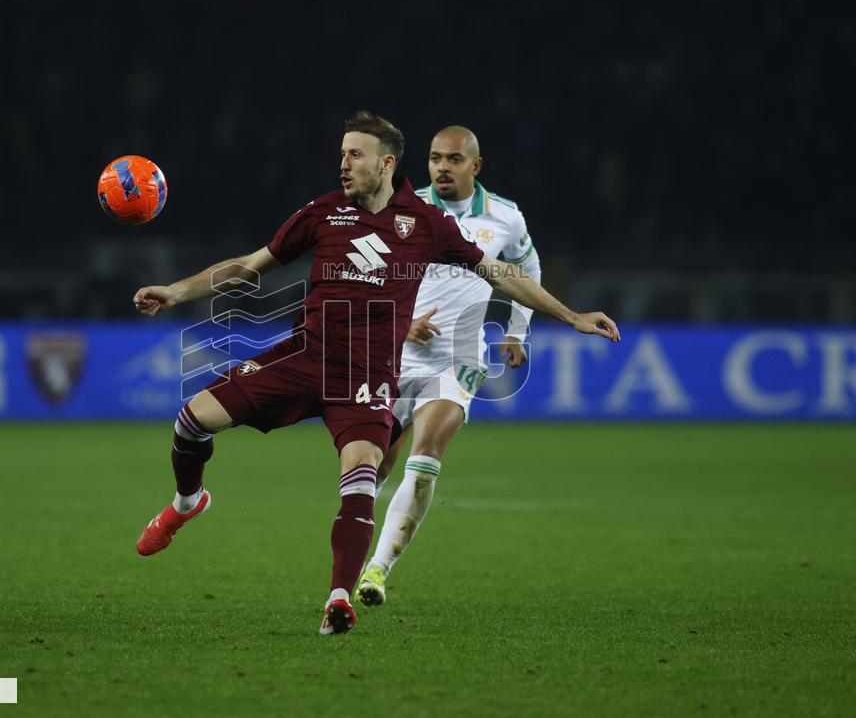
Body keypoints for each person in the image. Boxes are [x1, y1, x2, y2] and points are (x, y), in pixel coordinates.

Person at [131, 112, 620, 636]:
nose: (343, 164)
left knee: (362, 480)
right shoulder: (323, 213)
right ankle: (189, 501)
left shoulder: (427, 224)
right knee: (191, 420)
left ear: (386, 163)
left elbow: (501, 273)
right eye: (342, 154)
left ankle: (339, 599)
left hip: (367, 378)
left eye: (355, 155)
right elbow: (250, 266)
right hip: (305, 357)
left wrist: (570, 316)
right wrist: (177, 291)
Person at [356, 126, 540, 607]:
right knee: (373, 464)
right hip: (394, 355)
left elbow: (526, 267)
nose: (442, 167)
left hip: (458, 359)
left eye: (454, 159)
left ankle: (377, 570)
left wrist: (519, 329)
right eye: (436, 158)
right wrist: (402, 319)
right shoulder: (400, 208)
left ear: (474, 166)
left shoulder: (504, 217)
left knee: (425, 455)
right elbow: (368, 274)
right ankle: (349, 556)